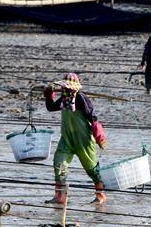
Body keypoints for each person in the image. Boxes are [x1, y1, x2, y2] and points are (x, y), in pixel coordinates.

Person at [44, 73, 107, 205]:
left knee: (91, 168)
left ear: (73, 88)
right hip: (67, 139)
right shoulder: (64, 99)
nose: (64, 89)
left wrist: (99, 137)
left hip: (83, 140)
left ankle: (100, 195)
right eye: (63, 87)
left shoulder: (80, 98)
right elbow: (51, 107)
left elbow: (93, 118)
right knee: (59, 164)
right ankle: (60, 196)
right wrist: (48, 95)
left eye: (67, 87)